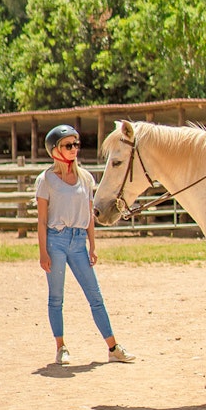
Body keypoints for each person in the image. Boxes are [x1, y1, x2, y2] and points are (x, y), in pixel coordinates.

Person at [35, 125, 135, 366]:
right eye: (68, 145)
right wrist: (43, 251)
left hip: (78, 241)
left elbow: (90, 215)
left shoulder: (86, 178)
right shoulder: (46, 180)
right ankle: (61, 347)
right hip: (55, 240)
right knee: (56, 298)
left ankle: (112, 347)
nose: (74, 149)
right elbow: (41, 220)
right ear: (55, 149)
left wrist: (92, 245)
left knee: (95, 295)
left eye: (76, 145)